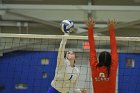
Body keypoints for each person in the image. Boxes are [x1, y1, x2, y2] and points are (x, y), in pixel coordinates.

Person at [87, 18, 118, 93]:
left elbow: (92, 49)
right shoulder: (112, 68)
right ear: (110, 60)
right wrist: (111, 30)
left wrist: (90, 29)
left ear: (99, 59)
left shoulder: (95, 67)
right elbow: (114, 48)